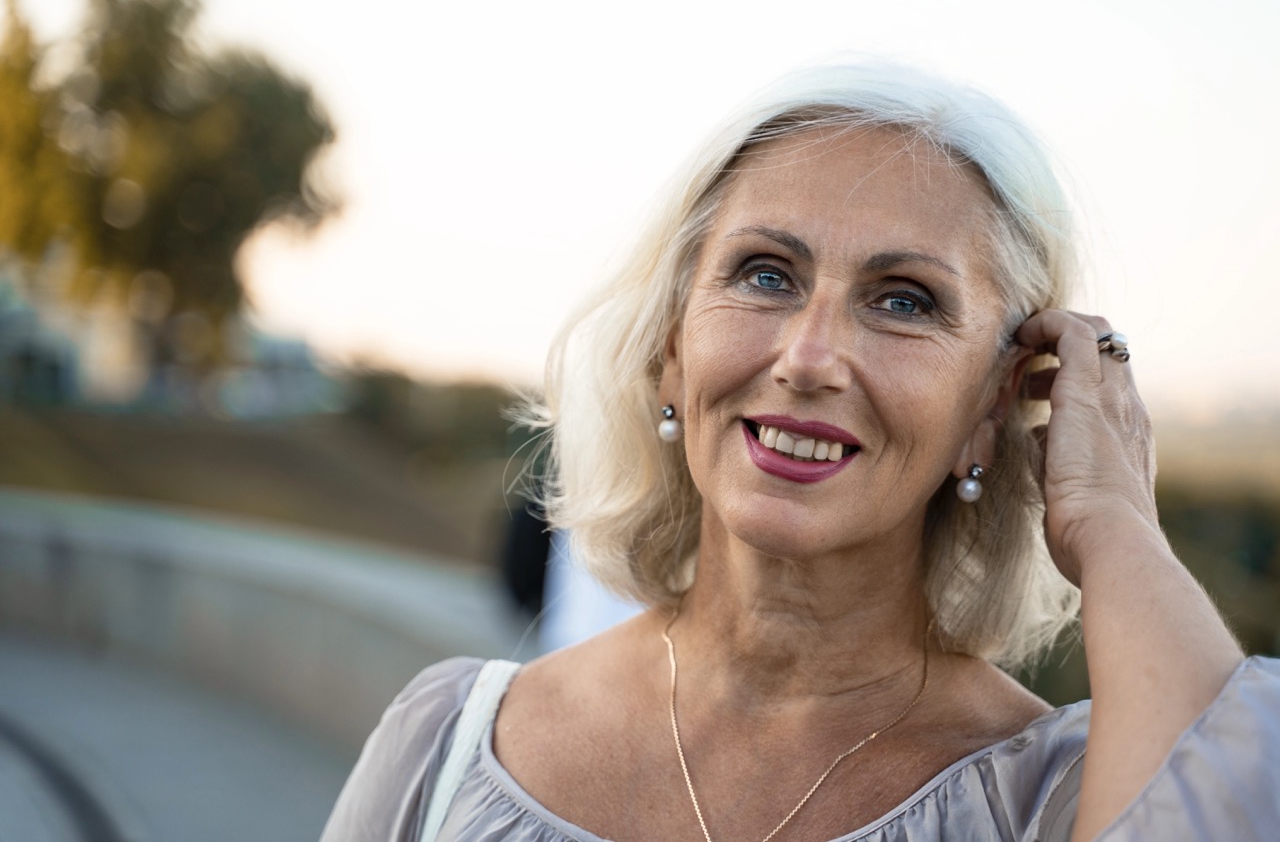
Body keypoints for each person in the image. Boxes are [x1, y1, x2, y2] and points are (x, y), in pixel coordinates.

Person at [321, 61, 1279, 841]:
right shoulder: (446, 741)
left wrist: (1114, 524)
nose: (811, 357)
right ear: (670, 352)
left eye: (904, 299)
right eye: (765, 274)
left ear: (992, 408)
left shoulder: (1057, 800)